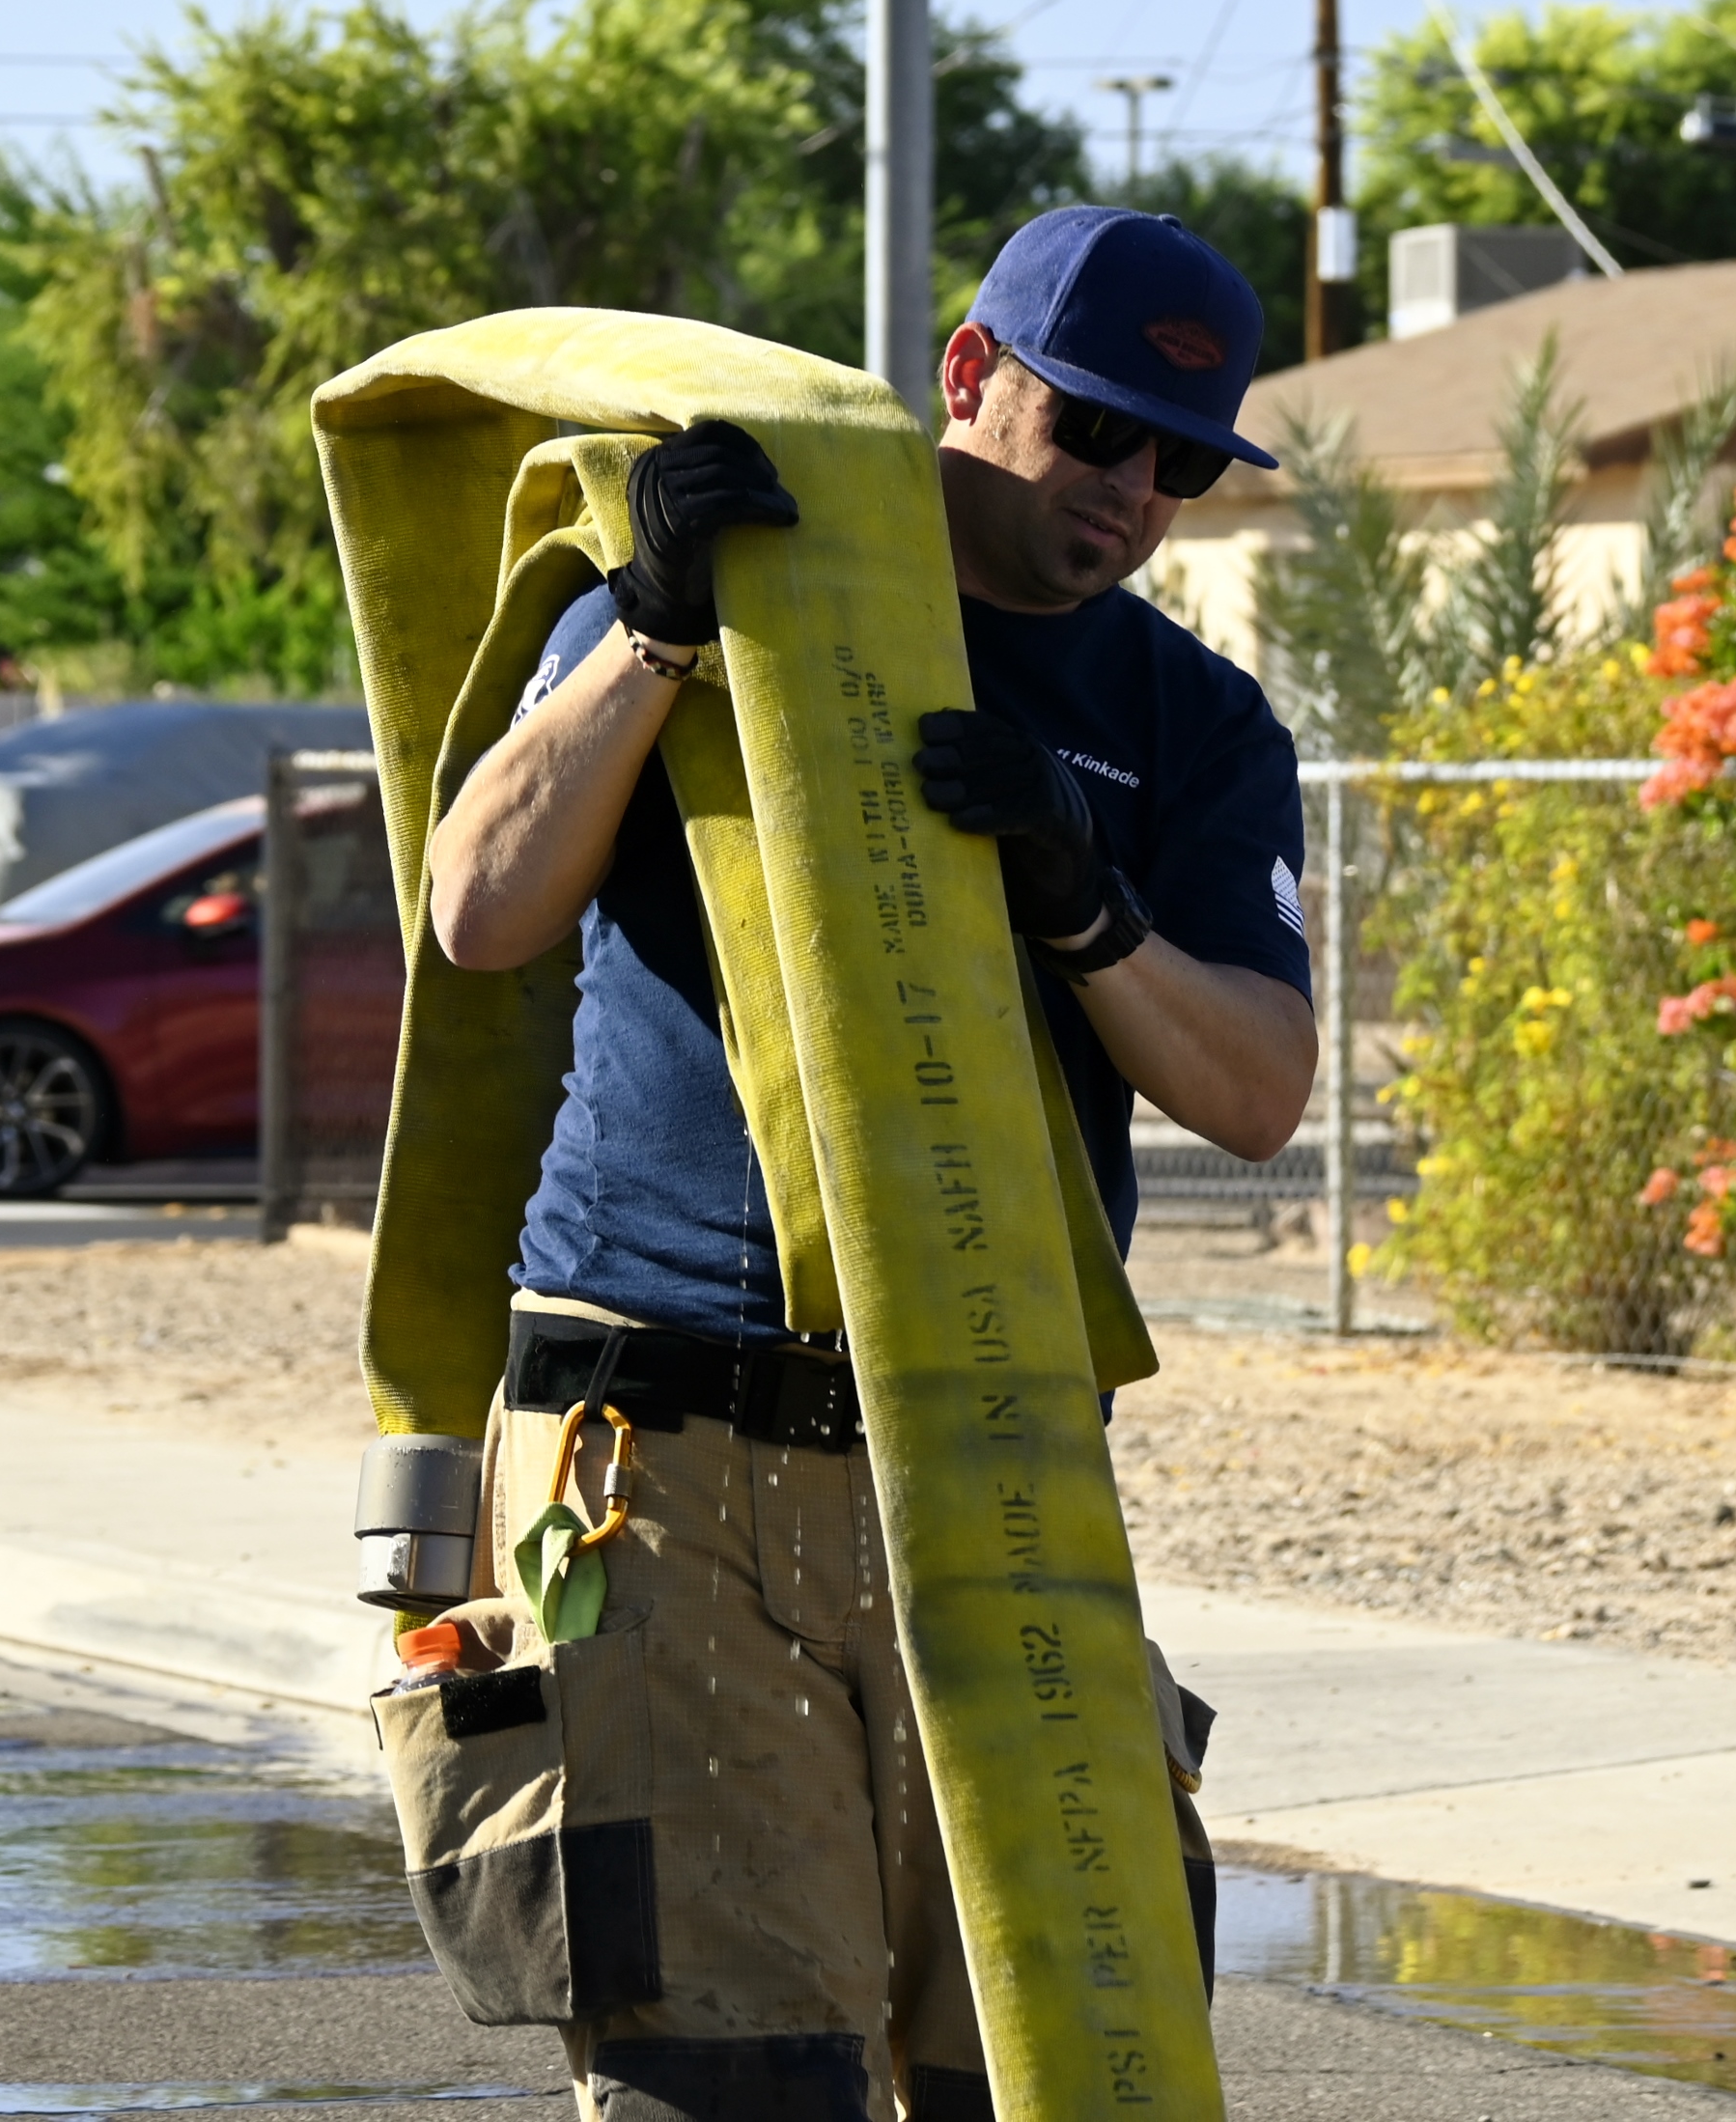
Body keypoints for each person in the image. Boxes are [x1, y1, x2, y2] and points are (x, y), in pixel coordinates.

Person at [427, 205, 1315, 2121]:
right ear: (971, 375)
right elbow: (477, 909)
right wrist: (654, 629)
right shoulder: (736, 585)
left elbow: (1257, 1090)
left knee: (1049, 2062)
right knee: (731, 2079)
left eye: (1180, 462)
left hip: (988, 1454)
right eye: (1095, 429)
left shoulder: (1191, 724)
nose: (1132, 492)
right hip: (653, 1442)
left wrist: (1088, 912)